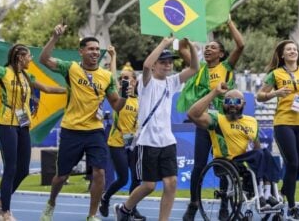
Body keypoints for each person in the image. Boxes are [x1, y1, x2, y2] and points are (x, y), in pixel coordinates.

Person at [39, 24, 130, 221]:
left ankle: (91, 215)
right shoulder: (70, 68)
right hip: (71, 130)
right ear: (81, 51)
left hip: (95, 131)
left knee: (100, 173)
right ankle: (51, 202)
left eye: (97, 49)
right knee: (61, 177)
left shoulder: (106, 77)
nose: (95, 52)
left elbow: (116, 106)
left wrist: (125, 96)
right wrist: (54, 37)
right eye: (91, 49)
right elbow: (44, 59)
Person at [115, 37, 199, 221]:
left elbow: (194, 68)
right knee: (149, 185)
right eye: (163, 62)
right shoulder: (146, 82)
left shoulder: (172, 82)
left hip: (167, 141)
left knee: (171, 183)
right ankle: (125, 208)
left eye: (170, 62)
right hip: (147, 141)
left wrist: (191, 46)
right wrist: (164, 43)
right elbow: (145, 66)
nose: (168, 65)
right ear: (155, 65)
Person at [0, 44, 66, 221]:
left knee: (24, 169)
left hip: (23, 125)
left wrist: (69, 90)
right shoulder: (3, 72)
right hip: (6, 124)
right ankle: (5, 212)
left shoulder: (28, 76)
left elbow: (47, 88)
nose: (31, 59)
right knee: (11, 168)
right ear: (20, 57)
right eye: (29, 56)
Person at [180, 19, 245, 221]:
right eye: (206, 47)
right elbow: (182, 47)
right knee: (198, 166)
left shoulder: (227, 67)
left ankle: (225, 205)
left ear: (221, 54)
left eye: (213, 47)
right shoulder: (197, 69)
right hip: (204, 122)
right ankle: (193, 205)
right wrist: (184, 25)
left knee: (224, 164)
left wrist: (229, 22)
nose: (208, 49)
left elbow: (241, 45)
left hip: (225, 123)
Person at [187, 83, 282, 219]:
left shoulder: (252, 121)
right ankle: (262, 195)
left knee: (265, 153)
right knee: (262, 154)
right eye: (228, 101)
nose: (232, 104)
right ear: (223, 104)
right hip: (227, 161)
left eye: (236, 101)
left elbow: (257, 147)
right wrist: (214, 93)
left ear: (243, 104)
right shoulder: (217, 119)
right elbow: (192, 114)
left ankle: (268, 194)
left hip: (245, 161)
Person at [257, 40, 299, 221]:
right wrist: (274, 93)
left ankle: (282, 192)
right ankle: (291, 207)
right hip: (283, 123)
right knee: (292, 163)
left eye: (294, 49)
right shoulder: (275, 74)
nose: (292, 51)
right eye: (288, 50)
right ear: (282, 55)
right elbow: (260, 96)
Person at [98, 58, 145, 220]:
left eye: (129, 78)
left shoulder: (140, 99)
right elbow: (112, 77)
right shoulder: (118, 96)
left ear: (135, 80)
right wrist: (113, 56)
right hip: (117, 142)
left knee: (137, 178)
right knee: (123, 178)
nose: (126, 80)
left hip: (133, 144)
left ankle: (131, 207)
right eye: (122, 78)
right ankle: (105, 198)